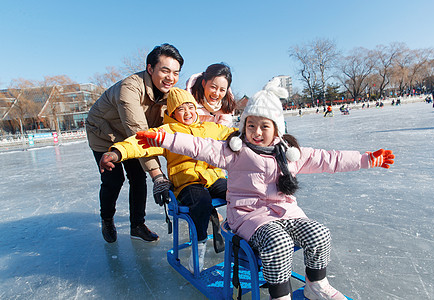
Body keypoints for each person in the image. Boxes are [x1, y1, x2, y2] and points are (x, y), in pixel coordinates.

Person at [134, 78, 395, 300]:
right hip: (247, 216)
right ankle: (279, 295)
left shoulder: (291, 154)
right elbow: (198, 146)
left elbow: (329, 159)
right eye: (250, 125)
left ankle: (316, 286)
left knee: (319, 233)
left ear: (277, 128)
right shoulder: (235, 152)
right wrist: (161, 137)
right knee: (279, 242)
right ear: (244, 125)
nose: (256, 132)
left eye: (264, 126)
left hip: (285, 212)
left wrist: (366, 159)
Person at [99, 88, 237, 272]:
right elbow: (140, 143)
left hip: (213, 177)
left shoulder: (209, 127)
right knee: (201, 201)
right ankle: (200, 246)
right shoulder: (167, 131)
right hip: (187, 182)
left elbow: (234, 134)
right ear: (172, 112)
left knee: (237, 192)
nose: (188, 112)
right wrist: (117, 153)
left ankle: (237, 236)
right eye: (181, 109)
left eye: (190, 107)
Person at [86, 43, 184, 243]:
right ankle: (107, 219)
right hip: (103, 132)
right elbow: (138, 131)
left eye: (176, 73)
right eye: (165, 71)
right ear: (150, 68)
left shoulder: (169, 94)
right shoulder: (130, 88)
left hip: (129, 136)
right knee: (114, 180)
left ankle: (137, 225)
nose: (170, 78)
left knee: (138, 178)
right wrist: (158, 176)